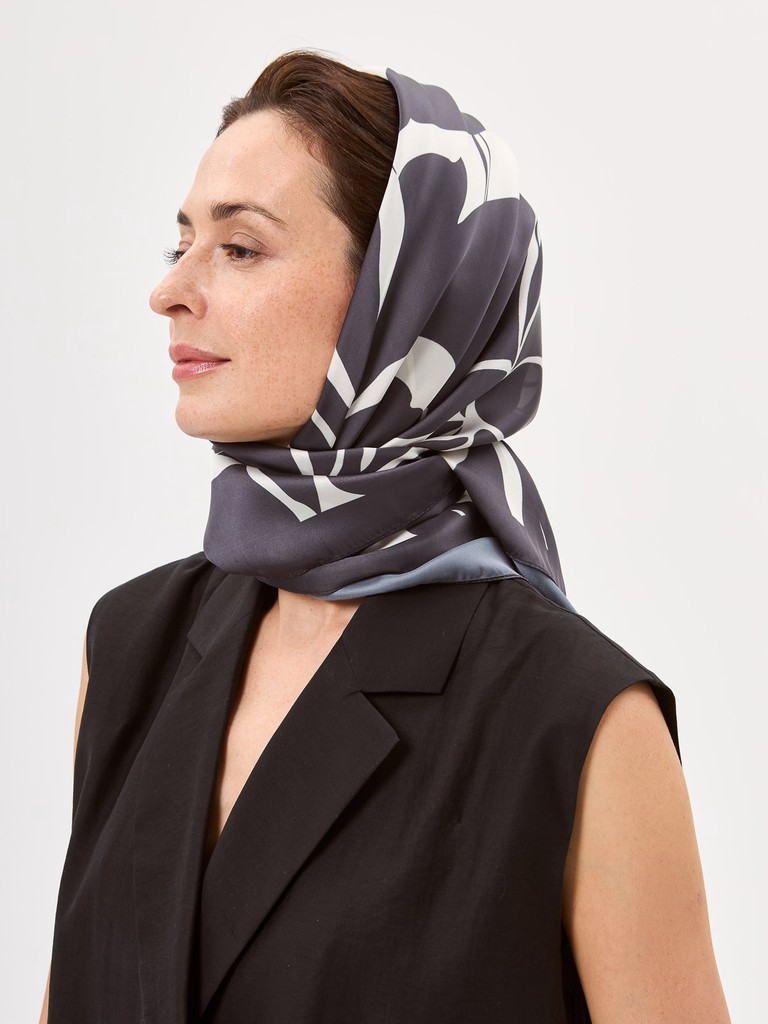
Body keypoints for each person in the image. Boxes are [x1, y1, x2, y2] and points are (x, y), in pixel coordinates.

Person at [40, 51, 730, 1023]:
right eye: (180, 242)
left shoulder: (579, 720)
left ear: (403, 297)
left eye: (241, 248)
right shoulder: (128, 648)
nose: (172, 291)